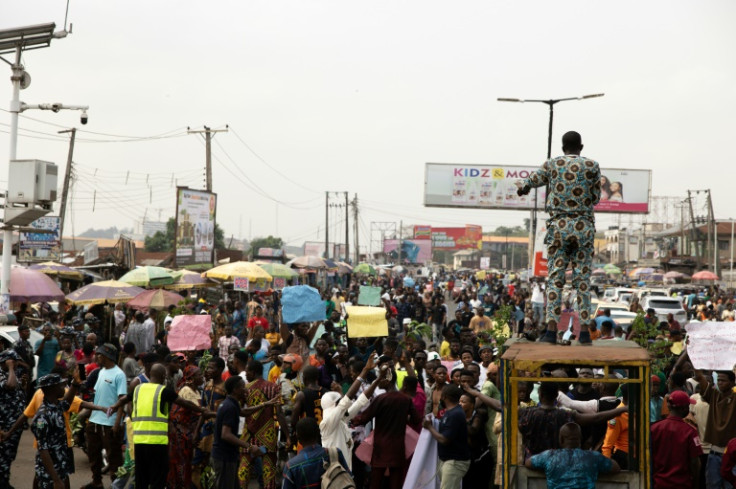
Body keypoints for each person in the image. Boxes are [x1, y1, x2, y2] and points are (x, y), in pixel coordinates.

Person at [517, 131, 601, 343]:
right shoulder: (592, 165)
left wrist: (523, 189)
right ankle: (583, 334)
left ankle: (551, 331)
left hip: (559, 227)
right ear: (580, 147)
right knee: (582, 281)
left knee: (555, 279)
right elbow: (596, 197)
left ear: (563, 147)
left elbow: (530, 182)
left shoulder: (552, 164)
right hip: (583, 228)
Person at [108, 363, 212, 489]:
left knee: (141, 479)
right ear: (163, 376)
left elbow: (125, 399)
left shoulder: (138, 389)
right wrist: (202, 410)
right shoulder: (163, 391)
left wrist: (114, 406)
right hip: (158, 444)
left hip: (139, 442)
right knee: (158, 479)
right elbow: (184, 403)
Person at [353, 359, 422, 489]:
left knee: (376, 483)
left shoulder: (380, 399)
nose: (379, 381)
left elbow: (363, 418)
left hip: (380, 448)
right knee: (395, 483)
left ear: (387, 380)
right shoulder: (405, 400)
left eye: (381, 378)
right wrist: (403, 418)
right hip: (398, 448)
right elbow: (417, 420)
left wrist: (350, 418)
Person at [320, 355, 382, 471]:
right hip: (335, 478)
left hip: (347, 474)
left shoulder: (342, 420)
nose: (342, 403)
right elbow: (347, 400)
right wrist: (365, 370)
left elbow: (360, 402)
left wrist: (378, 379)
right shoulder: (327, 423)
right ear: (334, 405)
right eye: (338, 401)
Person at [238, 359, 288, 489]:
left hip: (248, 435)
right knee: (269, 474)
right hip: (268, 436)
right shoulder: (274, 388)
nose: (246, 374)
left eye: (247, 371)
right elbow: (280, 414)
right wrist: (287, 436)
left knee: (243, 472)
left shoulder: (245, 389)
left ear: (253, 372)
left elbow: (240, 411)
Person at [83, 343, 127, 489]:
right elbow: (98, 396)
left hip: (110, 424)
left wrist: (117, 424)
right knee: (93, 454)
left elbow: (122, 400)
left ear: (107, 356)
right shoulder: (100, 371)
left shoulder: (119, 374)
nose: (97, 357)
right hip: (95, 421)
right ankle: (97, 482)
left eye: (100, 354)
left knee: (113, 458)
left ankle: (116, 485)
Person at [525, 422, 619, 489]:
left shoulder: (549, 456)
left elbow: (528, 463)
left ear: (561, 439)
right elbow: (615, 467)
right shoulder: (593, 457)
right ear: (580, 439)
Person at [29, 374, 75, 489]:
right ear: (52, 388)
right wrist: (56, 480)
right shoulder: (42, 417)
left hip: (59, 466)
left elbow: (67, 402)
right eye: (61, 385)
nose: (64, 388)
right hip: (49, 473)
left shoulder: (56, 406)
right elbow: (43, 449)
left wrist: (76, 384)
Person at [651, 390, 703, 489]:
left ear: (669, 406)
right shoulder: (690, 432)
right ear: (684, 408)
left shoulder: (654, 428)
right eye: (688, 406)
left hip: (659, 483)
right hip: (682, 484)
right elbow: (695, 463)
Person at [422, 385, 471, 489]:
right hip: (448, 460)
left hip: (454, 462)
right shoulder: (451, 412)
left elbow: (444, 439)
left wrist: (429, 427)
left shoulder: (455, 414)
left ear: (444, 396)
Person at [168, 365, 209, 488]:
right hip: (181, 434)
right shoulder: (186, 391)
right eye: (199, 375)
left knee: (186, 463)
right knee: (181, 463)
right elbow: (199, 411)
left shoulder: (196, 390)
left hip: (188, 433)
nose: (202, 377)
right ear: (191, 378)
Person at [282, 417, 351, 489]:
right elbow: (349, 479)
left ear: (297, 437)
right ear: (318, 433)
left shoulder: (291, 467)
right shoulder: (335, 454)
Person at [212, 376, 249, 489]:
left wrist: (264, 405)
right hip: (224, 458)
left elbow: (243, 412)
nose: (246, 390)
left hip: (227, 456)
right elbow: (226, 434)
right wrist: (249, 446)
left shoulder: (230, 403)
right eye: (243, 387)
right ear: (235, 390)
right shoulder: (230, 407)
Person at [0, 349, 26, 489]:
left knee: (9, 454)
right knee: (3, 454)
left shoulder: (11, 374)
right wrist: (10, 368)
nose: (16, 364)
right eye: (13, 361)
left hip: (14, 423)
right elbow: (9, 386)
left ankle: (5, 480)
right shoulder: (2, 374)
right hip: (5, 424)